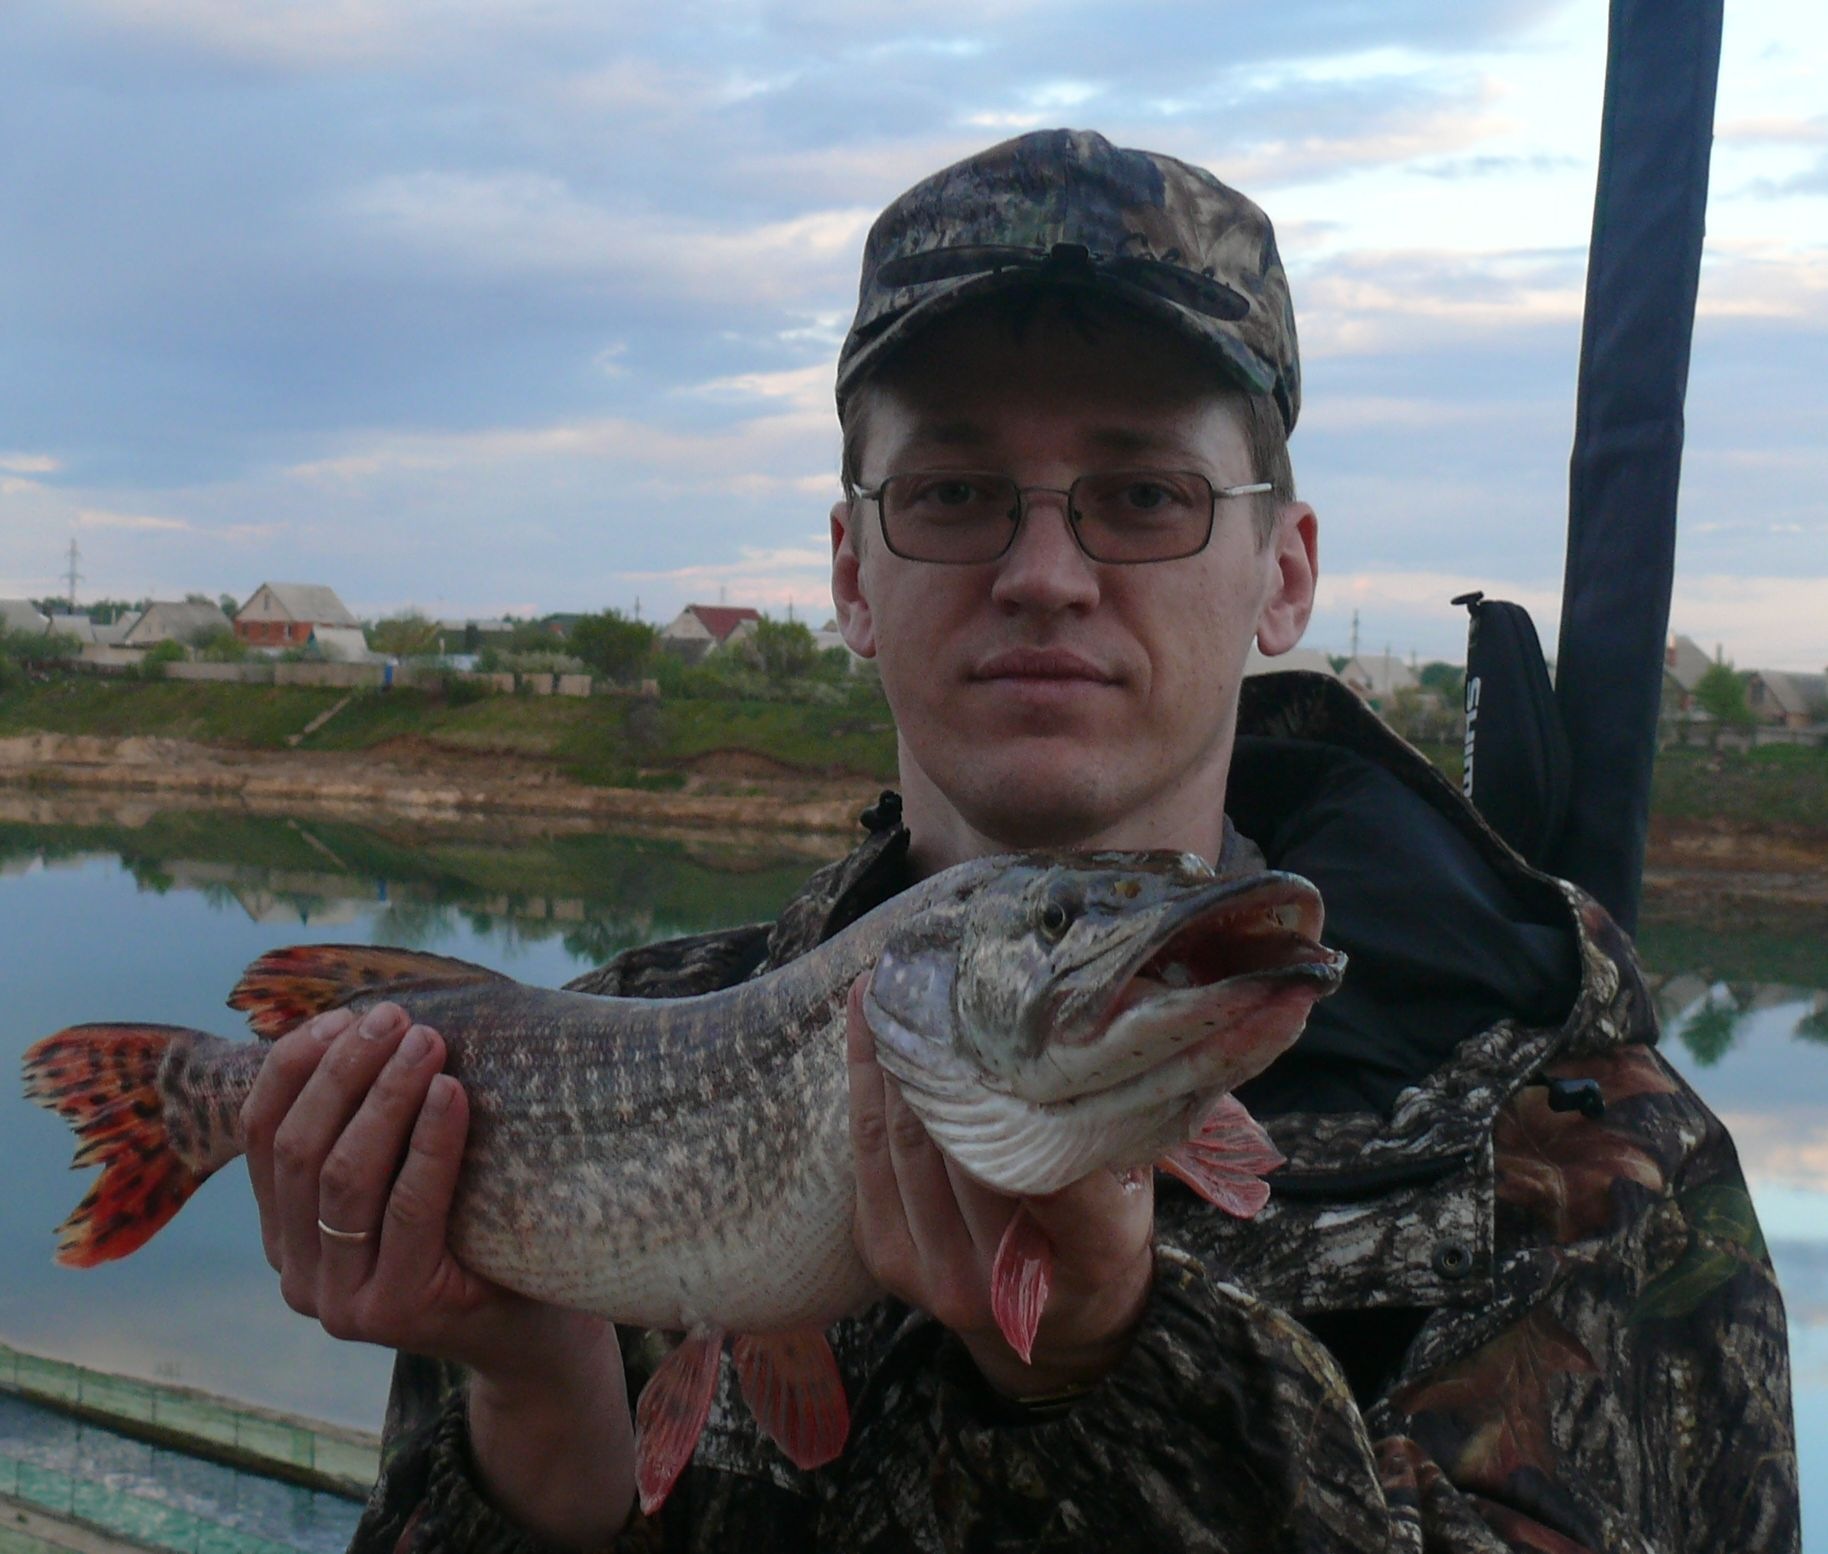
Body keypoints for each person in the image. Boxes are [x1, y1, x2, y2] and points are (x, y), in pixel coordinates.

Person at [239, 130, 1799, 1552]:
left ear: (1284, 570)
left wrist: (1112, 1370)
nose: (1045, 570)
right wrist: (535, 1401)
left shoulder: (1590, 1167)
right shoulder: (612, 1041)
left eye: (1145, 493)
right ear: (850, 572)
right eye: (955, 490)